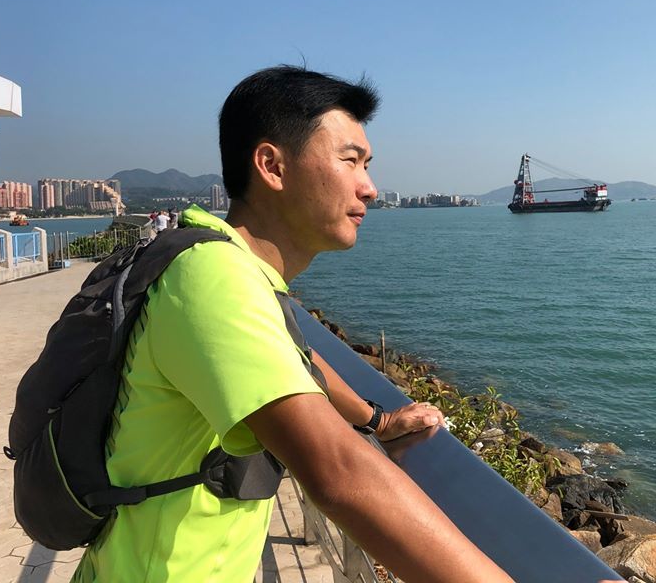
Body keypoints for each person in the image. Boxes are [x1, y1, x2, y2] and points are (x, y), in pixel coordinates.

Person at [72, 66, 512, 583]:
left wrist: (377, 422)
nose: (370, 188)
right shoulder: (212, 277)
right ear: (272, 167)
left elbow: (295, 358)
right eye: (350, 160)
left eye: (367, 164)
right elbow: (339, 474)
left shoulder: (227, 263)